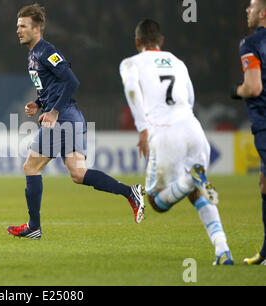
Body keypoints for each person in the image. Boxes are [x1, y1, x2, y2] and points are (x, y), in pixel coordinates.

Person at [6, 3, 145, 240]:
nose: (18, 30)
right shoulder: (32, 54)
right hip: (68, 117)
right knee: (78, 173)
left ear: (37, 29)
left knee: (31, 167)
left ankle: (34, 227)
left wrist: (54, 112)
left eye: (23, 26)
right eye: (17, 26)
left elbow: (71, 81)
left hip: (62, 118)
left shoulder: (46, 51)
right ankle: (130, 192)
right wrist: (39, 104)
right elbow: (52, 87)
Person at [119, 19, 233, 265]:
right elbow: (190, 97)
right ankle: (222, 249)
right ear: (161, 41)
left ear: (137, 42)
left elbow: (131, 91)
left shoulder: (131, 63)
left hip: (165, 133)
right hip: (193, 128)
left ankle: (191, 177)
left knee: (155, 201)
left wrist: (142, 129)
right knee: (195, 193)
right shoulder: (178, 62)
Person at [231, 0, 266, 265]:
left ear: (263, 13)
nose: (247, 10)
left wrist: (237, 90)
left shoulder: (251, 44)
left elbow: (253, 88)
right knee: (264, 183)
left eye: (252, 6)